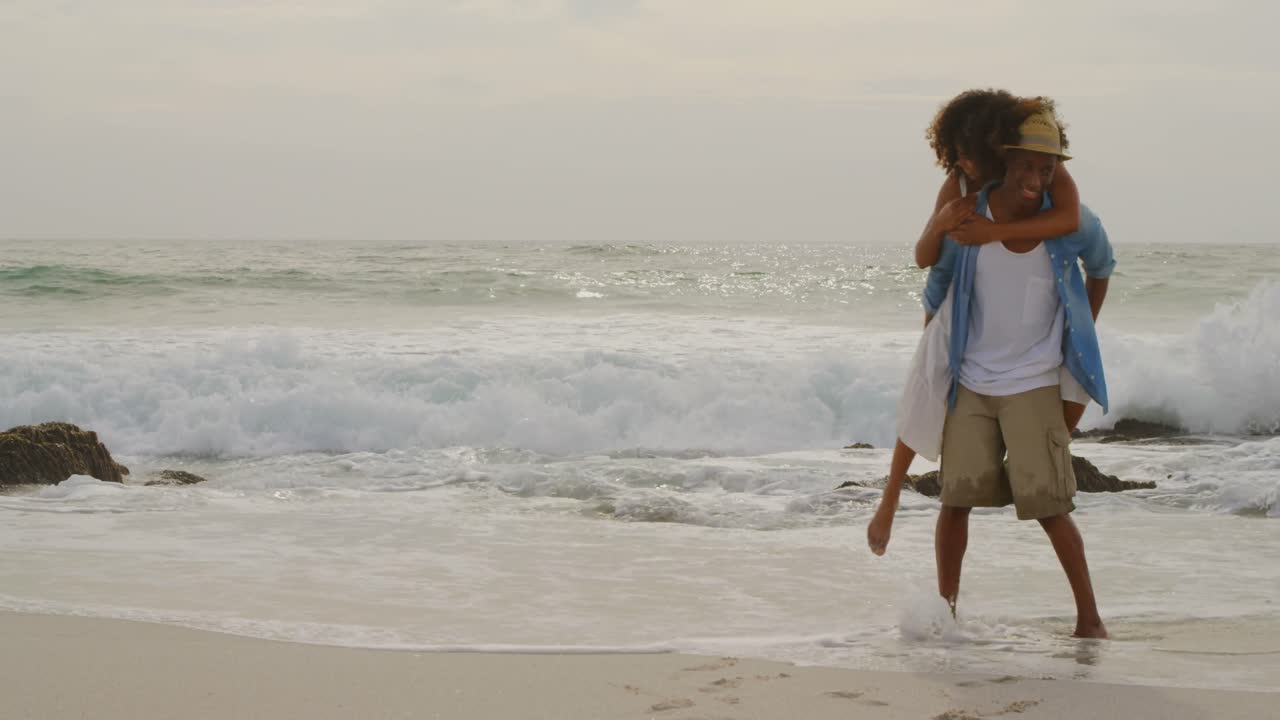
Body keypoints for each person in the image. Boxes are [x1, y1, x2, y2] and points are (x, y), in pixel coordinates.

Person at [867, 91, 1088, 557]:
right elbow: (925, 258)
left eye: (971, 153)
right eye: (956, 155)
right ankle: (888, 501)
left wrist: (995, 233)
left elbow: (1069, 220)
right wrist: (943, 222)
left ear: (996, 146)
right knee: (923, 391)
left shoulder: (1039, 169)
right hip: (949, 300)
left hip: (1006, 335)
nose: (964, 162)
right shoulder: (959, 186)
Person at [923, 110, 1115, 638]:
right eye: (1026, 167)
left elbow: (1103, 266)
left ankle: (1090, 621)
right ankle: (947, 615)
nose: (1035, 180)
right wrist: (931, 360)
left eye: (1047, 170)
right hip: (972, 382)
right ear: (1004, 161)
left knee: (1051, 506)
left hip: (1034, 383)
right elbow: (935, 278)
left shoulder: (1070, 223)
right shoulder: (968, 214)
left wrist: (1083, 329)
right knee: (954, 501)